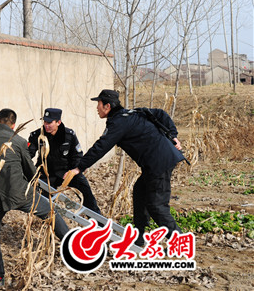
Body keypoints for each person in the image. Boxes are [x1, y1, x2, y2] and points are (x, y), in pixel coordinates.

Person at [0, 108, 69, 287]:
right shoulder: (18, 141)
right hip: (20, 193)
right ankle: (72, 248)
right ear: (14, 125)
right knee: (51, 212)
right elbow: (31, 173)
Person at [69, 89, 185, 247]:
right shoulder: (130, 114)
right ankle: (139, 236)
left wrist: (79, 168)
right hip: (155, 163)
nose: (97, 108)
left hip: (160, 163)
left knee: (156, 205)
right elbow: (160, 113)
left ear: (107, 106)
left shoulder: (118, 122)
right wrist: (173, 136)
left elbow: (101, 146)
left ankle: (179, 242)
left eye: (99, 104)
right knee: (139, 191)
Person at [28, 108, 101, 214]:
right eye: (45, 122)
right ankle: (52, 222)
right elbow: (29, 154)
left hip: (67, 172)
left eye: (49, 122)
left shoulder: (69, 135)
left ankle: (98, 222)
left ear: (58, 122)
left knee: (86, 194)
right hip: (47, 174)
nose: (46, 125)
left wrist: (73, 171)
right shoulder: (37, 135)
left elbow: (77, 155)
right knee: (43, 203)